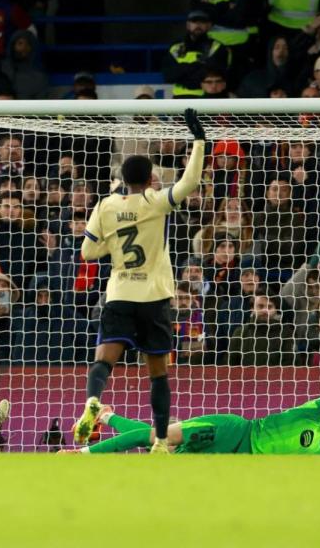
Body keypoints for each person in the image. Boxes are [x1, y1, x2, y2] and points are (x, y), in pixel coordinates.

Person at [72, 109, 206, 453]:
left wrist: (114, 241)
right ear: (150, 179)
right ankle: (160, 441)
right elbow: (190, 182)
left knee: (103, 360)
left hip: (119, 293)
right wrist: (199, 141)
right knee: (158, 373)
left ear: (123, 178)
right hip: (153, 297)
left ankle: (92, 401)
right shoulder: (156, 202)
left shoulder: (106, 205)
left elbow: (87, 252)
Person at [60, 378, 320, 455]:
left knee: (162, 447)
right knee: (160, 437)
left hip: (231, 457)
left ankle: (106, 415)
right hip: (233, 430)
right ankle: (82, 454)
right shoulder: (313, 410)